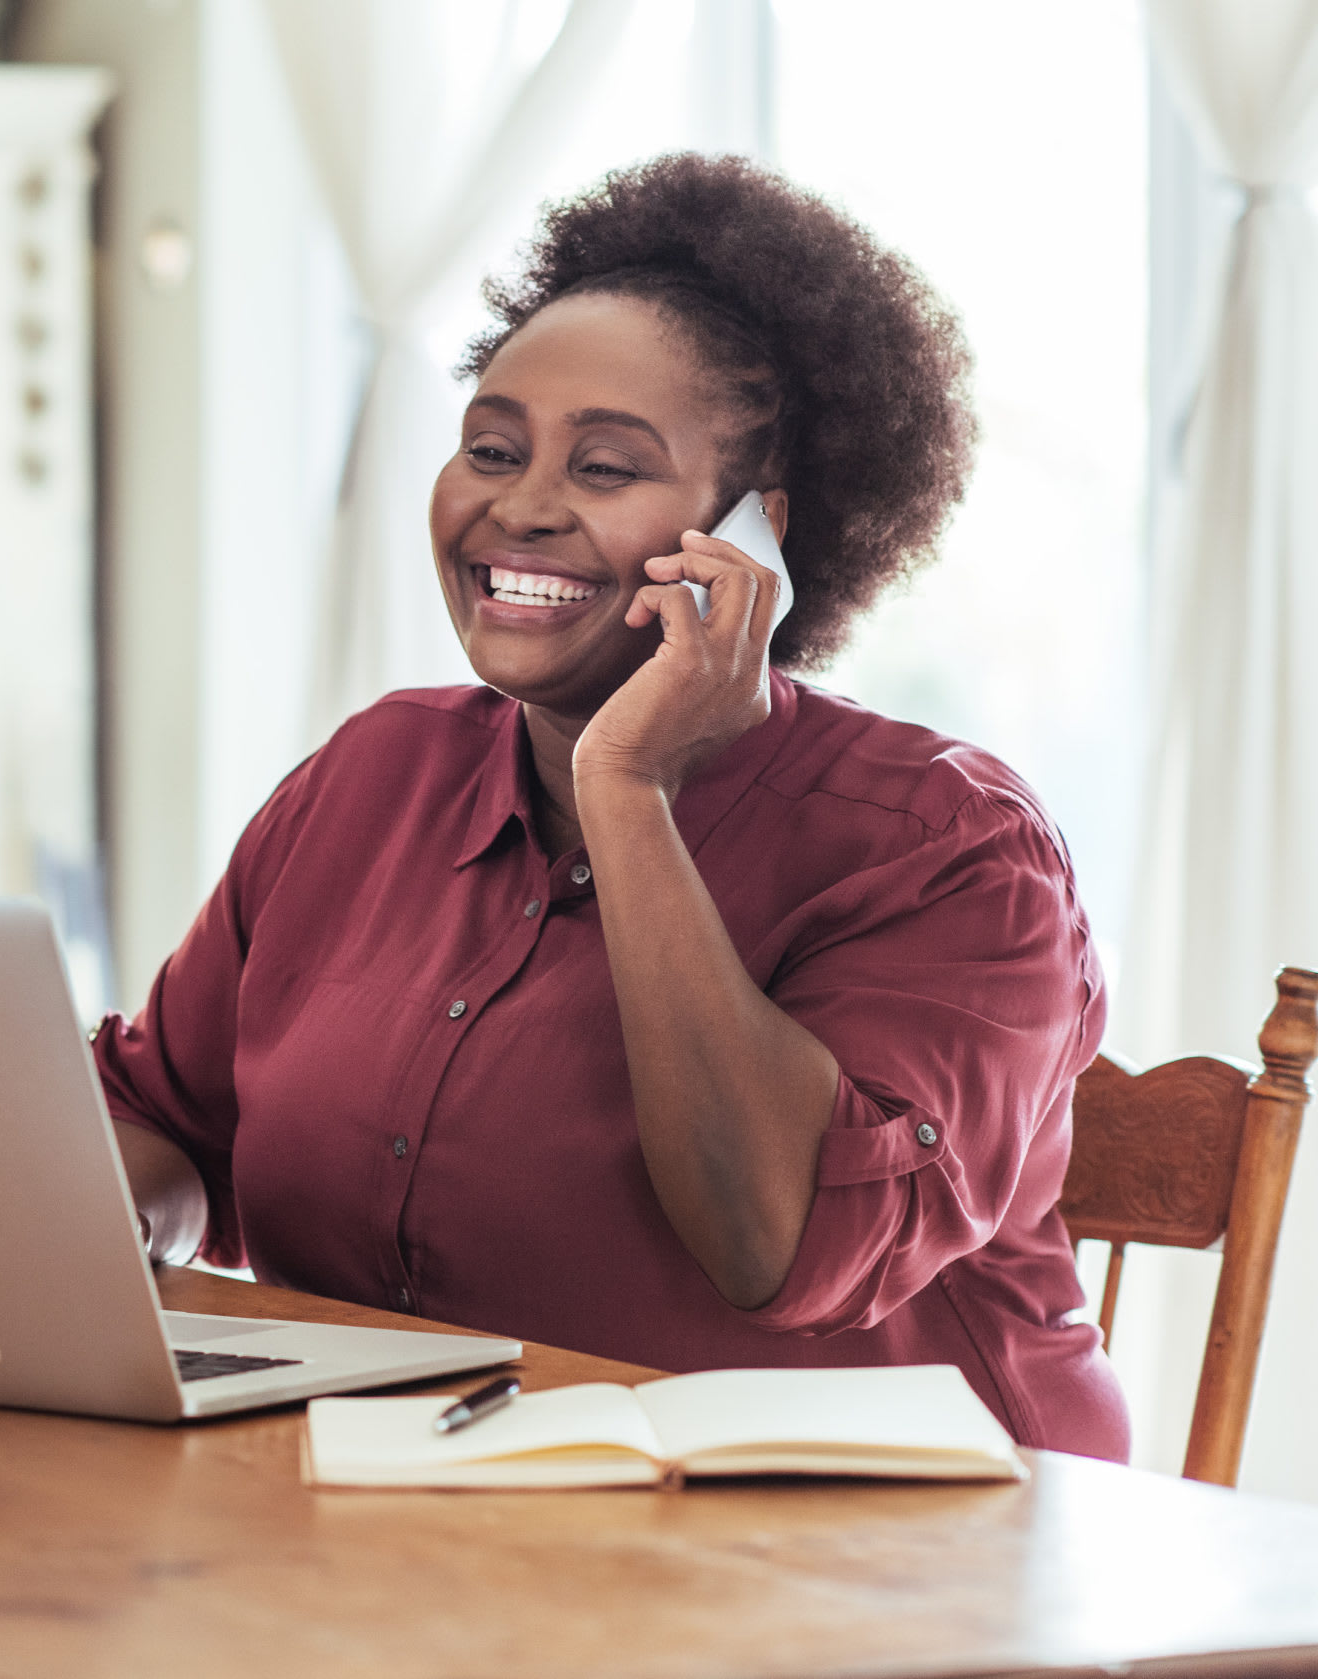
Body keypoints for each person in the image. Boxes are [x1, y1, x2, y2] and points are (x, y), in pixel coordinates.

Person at [96, 153, 1128, 1459]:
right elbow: (173, 1123)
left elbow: (783, 1248)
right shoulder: (373, 778)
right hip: (435, 1544)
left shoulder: (945, 851)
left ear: (755, 536)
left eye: (605, 468)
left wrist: (626, 787)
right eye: (491, 448)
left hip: (893, 1580)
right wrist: (90, 1230)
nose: (517, 507)